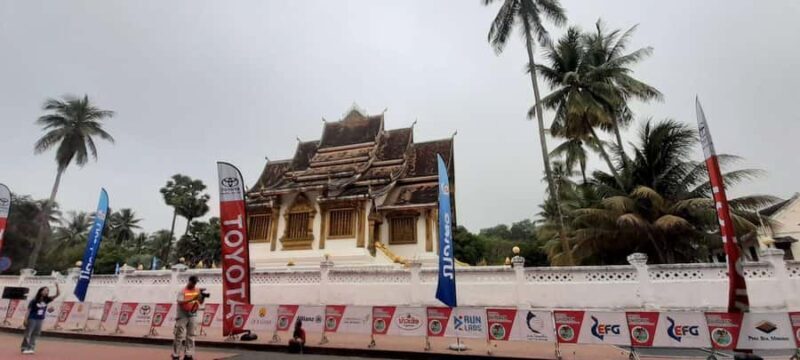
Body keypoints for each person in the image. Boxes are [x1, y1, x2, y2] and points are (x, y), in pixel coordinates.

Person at [21, 283, 60, 354]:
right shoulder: (34, 300)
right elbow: (28, 310)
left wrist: (57, 286)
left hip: (40, 319)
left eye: (47, 291)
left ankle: (31, 348)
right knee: (28, 333)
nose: (46, 292)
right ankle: (24, 348)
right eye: (45, 290)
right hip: (32, 318)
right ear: (40, 291)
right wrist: (25, 319)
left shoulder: (47, 300)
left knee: (36, 333)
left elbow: (57, 295)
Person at [173, 275, 204, 360]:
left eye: (195, 282)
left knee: (191, 335)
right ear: (189, 281)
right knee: (179, 335)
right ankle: (176, 354)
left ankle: (188, 354)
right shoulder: (182, 291)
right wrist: (192, 299)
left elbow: (200, 302)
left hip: (193, 314)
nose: (194, 284)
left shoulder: (197, 290)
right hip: (182, 314)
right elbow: (180, 301)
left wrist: (202, 297)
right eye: (193, 282)